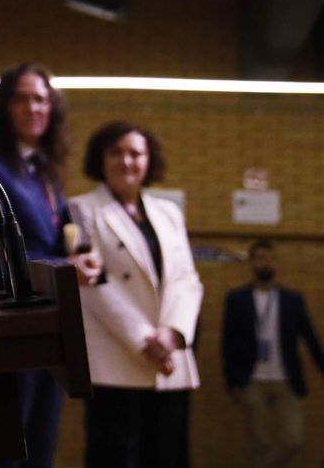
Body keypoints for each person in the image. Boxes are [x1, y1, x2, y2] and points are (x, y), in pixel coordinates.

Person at [0, 64, 100, 468]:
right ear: (3, 106)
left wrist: (82, 255)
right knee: (5, 452)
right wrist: (63, 267)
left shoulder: (44, 170)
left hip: (47, 325)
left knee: (40, 448)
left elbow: (55, 234)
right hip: (3, 327)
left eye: (43, 99)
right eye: (23, 98)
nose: (35, 107)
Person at [70, 121, 203, 468]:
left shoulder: (169, 213)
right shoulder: (81, 210)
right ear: (100, 158)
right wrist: (146, 340)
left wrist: (172, 334)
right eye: (116, 153)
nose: (126, 161)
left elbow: (186, 278)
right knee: (115, 456)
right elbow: (93, 284)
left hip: (171, 359)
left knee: (169, 456)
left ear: (149, 160)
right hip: (117, 358)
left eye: (135, 153)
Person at [221, 239, 324, 468]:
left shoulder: (292, 300)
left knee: (293, 440)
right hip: (252, 381)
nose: (265, 263)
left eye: (270, 258)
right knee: (260, 442)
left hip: (286, 381)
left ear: (276, 263)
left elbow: (311, 338)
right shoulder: (236, 299)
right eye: (260, 258)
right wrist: (232, 383)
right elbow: (227, 344)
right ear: (252, 263)